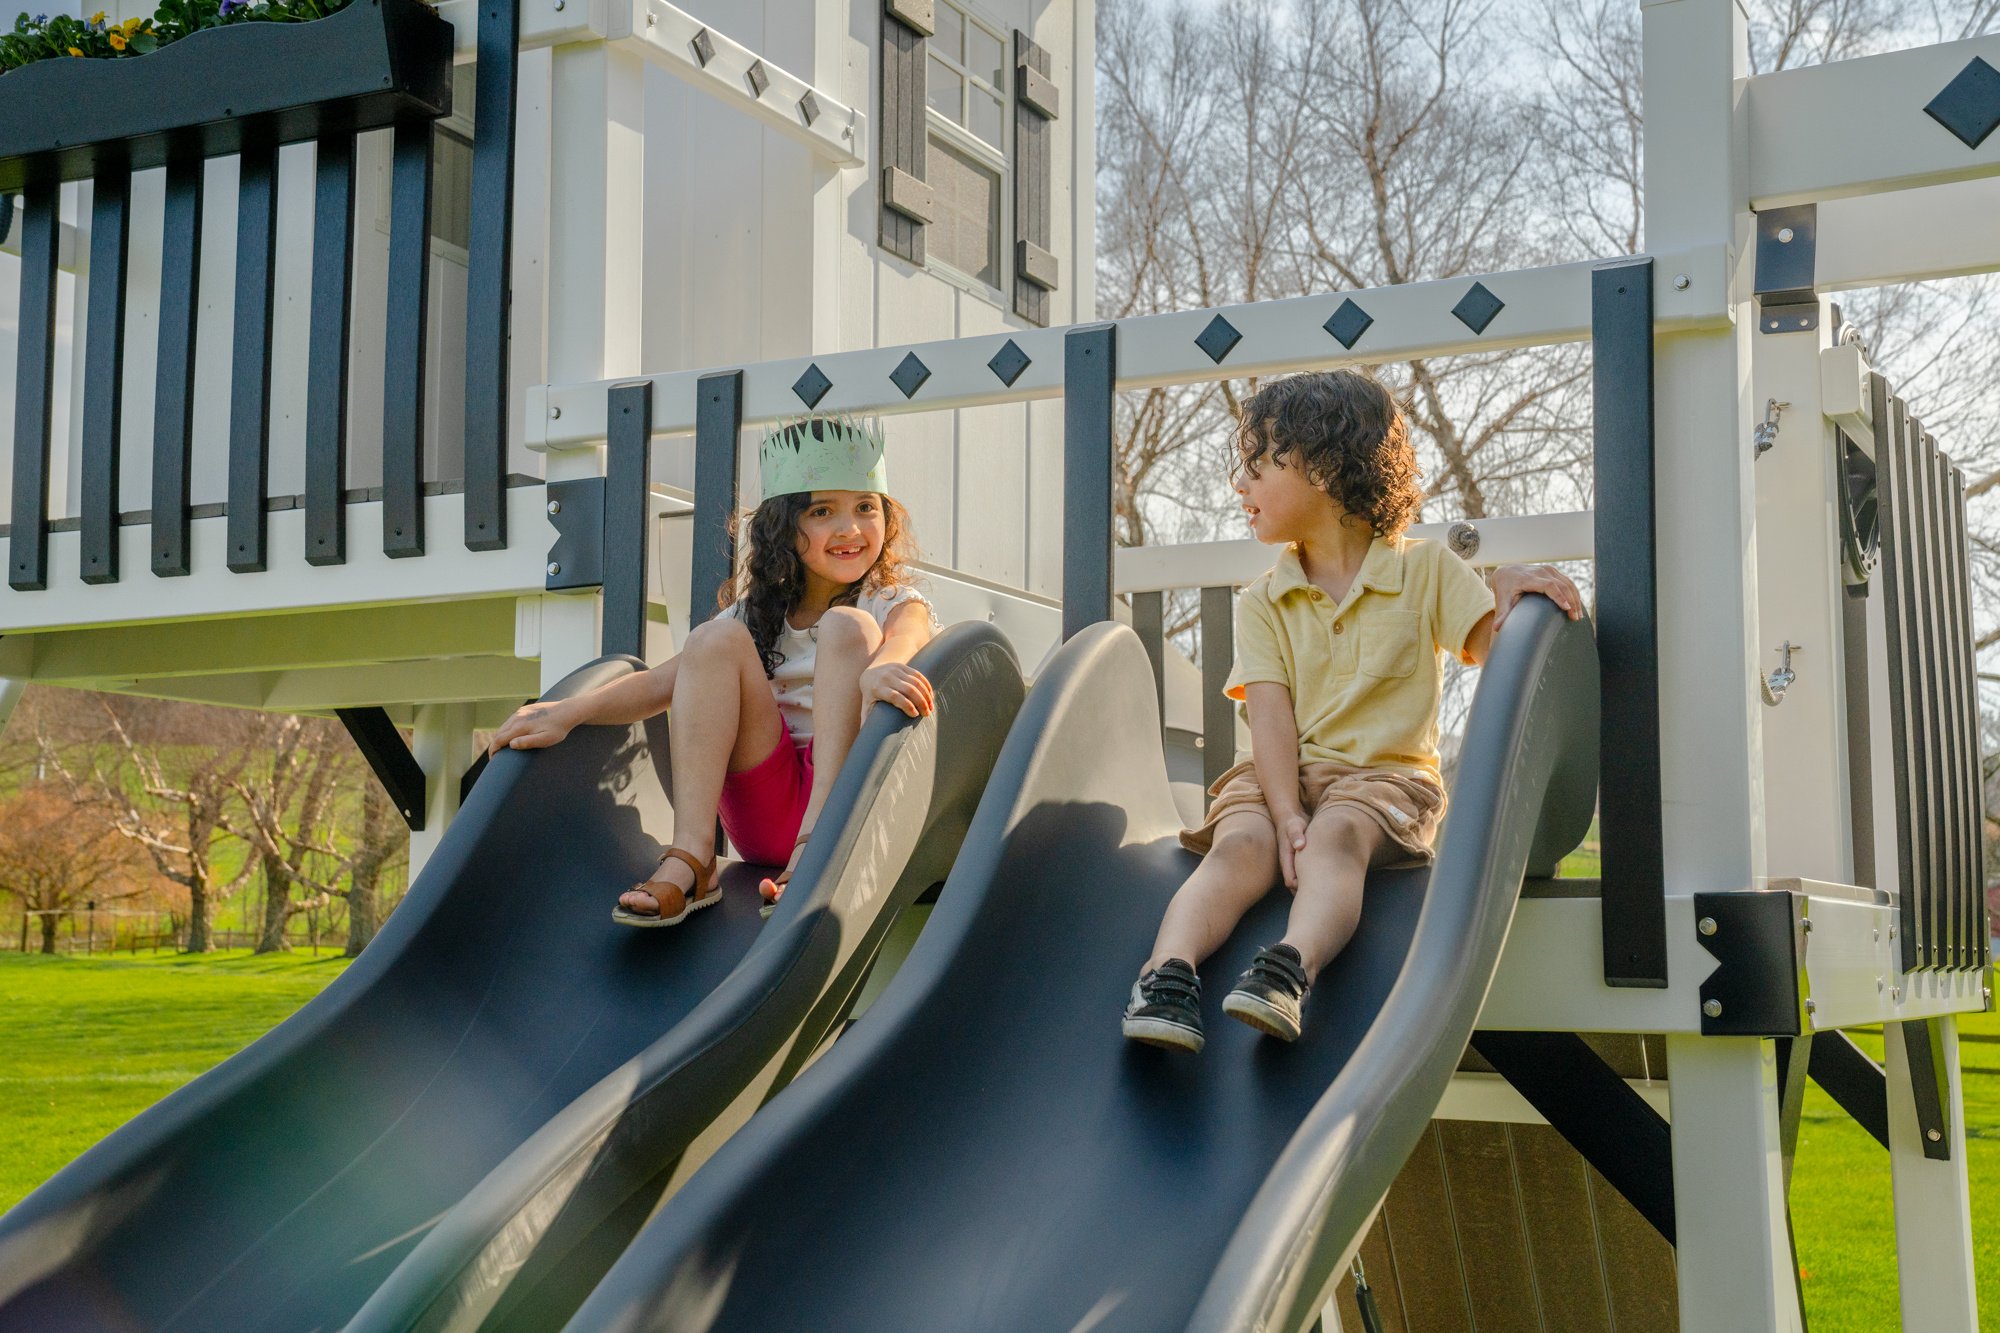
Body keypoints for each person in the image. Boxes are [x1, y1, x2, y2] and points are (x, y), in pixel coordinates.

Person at [1120, 370, 1582, 1052]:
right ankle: (1168, 973)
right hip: (1282, 774)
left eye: (1258, 465)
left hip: (1382, 782)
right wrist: (1282, 814)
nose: (1238, 484)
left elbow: (1495, 644)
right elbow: (1270, 718)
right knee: (1237, 845)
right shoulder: (1263, 599)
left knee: (1335, 836)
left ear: (1328, 470)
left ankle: (1288, 969)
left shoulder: (1423, 571)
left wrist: (1507, 585)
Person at [486, 414, 938, 926]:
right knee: (712, 638)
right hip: (765, 810)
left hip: (846, 805)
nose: (849, 528)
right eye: (821, 512)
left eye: (865, 508)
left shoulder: (890, 602)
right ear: (785, 528)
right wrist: (570, 711)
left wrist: (885, 666)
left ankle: (819, 852)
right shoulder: (756, 616)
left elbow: (909, 634)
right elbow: (662, 683)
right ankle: (694, 857)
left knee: (847, 628)